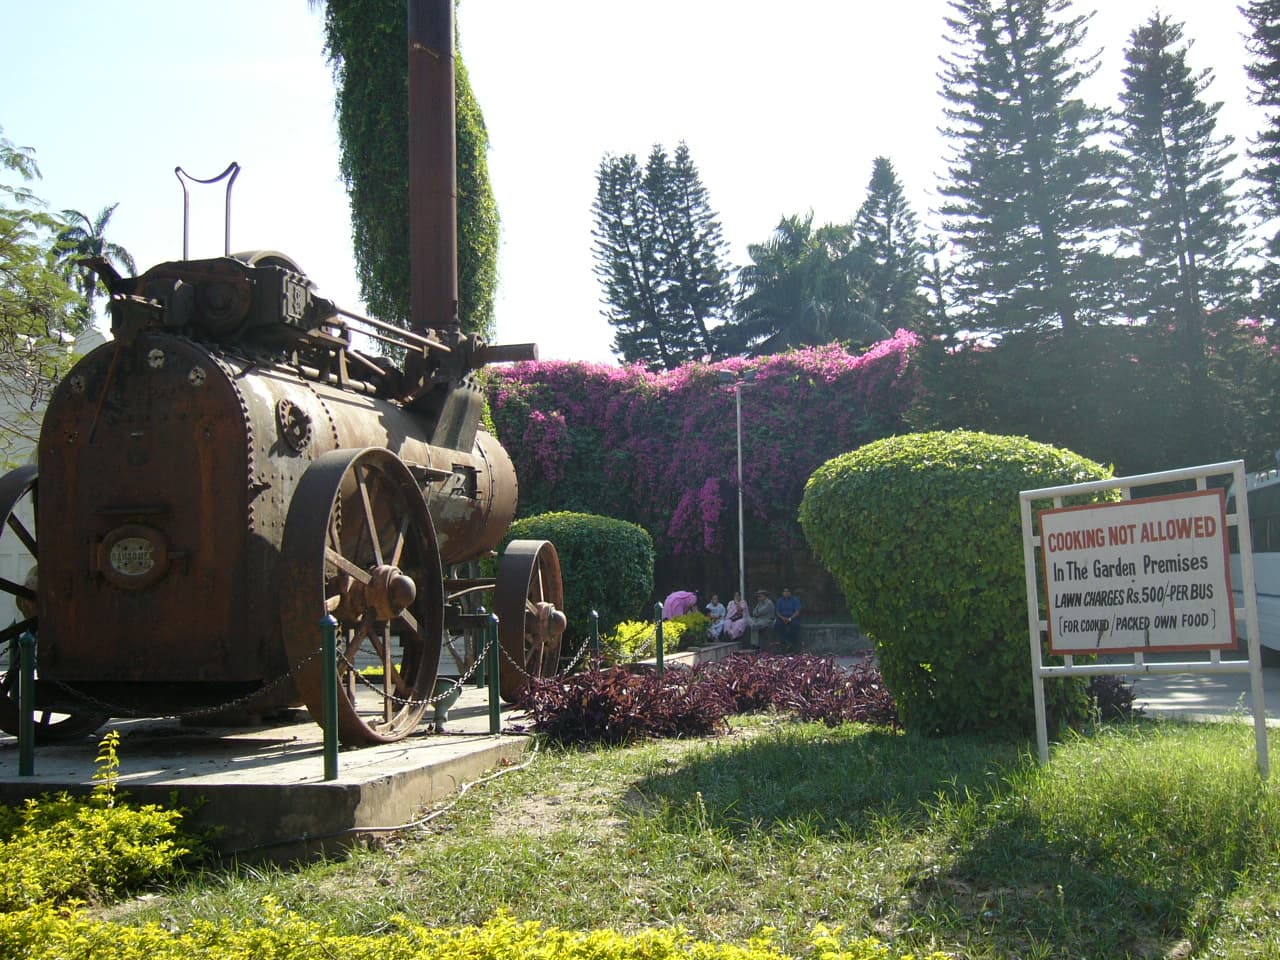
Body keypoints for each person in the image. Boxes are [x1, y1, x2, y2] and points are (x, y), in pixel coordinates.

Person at [774, 587, 802, 652]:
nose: (786, 593)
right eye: (784, 591)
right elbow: (777, 612)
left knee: (795, 626)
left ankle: (792, 645)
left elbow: (797, 611)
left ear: (790, 593)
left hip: (793, 618)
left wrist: (790, 619)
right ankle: (786, 644)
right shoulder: (779, 600)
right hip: (782, 618)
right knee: (777, 625)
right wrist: (783, 618)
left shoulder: (795, 600)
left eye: (787, 591)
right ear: (782, 593)